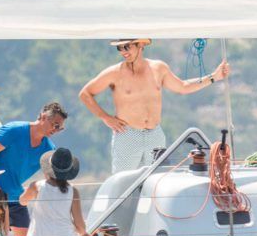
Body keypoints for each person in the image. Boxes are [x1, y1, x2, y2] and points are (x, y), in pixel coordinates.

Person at [79, 38, 231, 173]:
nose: (123, 51)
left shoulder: (159, 68)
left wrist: (214, 77)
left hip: (155, 134)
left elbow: (183, 87)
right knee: (123, 184)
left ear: (141, 45)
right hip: (127, 134)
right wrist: (106, 118)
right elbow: (85, 94)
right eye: (120, 47)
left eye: (127, 46)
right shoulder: (113, 73)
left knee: (156, 183)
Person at [0, 102, 67, 236]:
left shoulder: (49, 149)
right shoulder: (13, 130)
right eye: (55, 125)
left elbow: (51, 180)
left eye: (60, 128)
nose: (56, 130)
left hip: (16, 197)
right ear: (43, 117)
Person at [14, 148, 91, 236]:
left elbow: (22, 202)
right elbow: (80, 226)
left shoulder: (36, 186)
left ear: (48, 169)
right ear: (69, 172)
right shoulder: (73, 191)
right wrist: (84, 234)